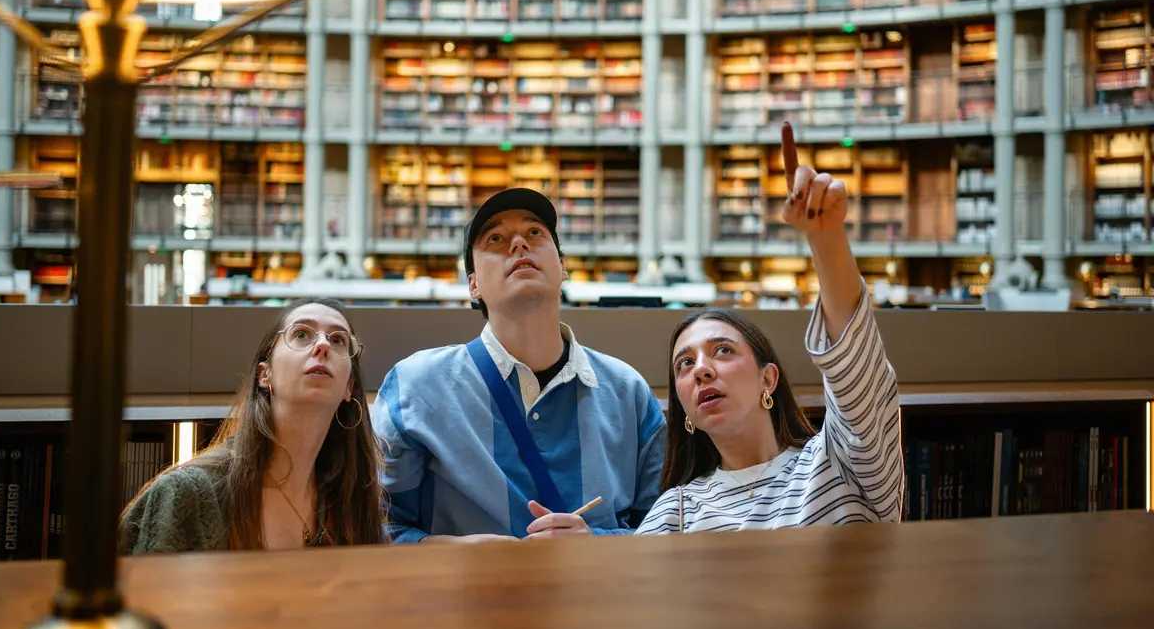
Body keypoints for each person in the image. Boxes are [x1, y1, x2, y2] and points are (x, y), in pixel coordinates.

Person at [636, 123, 904, 535]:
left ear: (769, 377)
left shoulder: (840, 462)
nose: (701, 369)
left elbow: (858, 376)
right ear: (685, 412)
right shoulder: (677, 511)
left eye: (722, 350)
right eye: (684, 364)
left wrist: (827, 238)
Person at [372, 188, 666, 542]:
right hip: (463, 597)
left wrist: (597, 543)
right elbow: (377, 527)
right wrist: (454, 551)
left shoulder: (627, 392)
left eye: (535, 233)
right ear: (473, 285)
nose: (518, 245)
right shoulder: (415, 387)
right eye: (495, 238)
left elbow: (664, 531)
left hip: (597, 596)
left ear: (562, 268)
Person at [119, 297, 385, 553]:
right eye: (302, 334)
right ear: (264, 375)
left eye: (338, 339)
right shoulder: (188, 494)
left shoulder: (348, 502)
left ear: (348, 388)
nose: (323, 346)